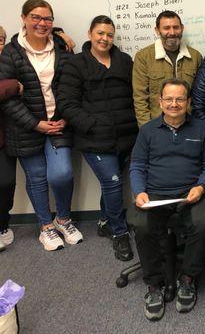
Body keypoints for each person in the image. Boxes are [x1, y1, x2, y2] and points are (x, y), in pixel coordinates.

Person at [129, 78, 205, 320]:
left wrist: (201, 186)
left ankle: (187, 278)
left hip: (190, 193)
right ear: (160, 102)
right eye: (169, 99)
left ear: (188, 102)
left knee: (203, 223)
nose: (174, 103)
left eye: (180, 99)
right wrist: (139, 192)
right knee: (142, 225)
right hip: (155, 194)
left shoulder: (202, 128)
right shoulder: (147, 131)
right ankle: (154, 286)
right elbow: (136, 165)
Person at [0, 0, 82, 251]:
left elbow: (72, 86)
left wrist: (66, 117)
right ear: (23, 18)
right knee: (36, 177)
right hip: (25, 127)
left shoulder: (62, 47)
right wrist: (36, 124)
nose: (42, 23)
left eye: (47, 18)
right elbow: (6, 98)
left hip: (59, 124)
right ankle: (46, 227)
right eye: (36, 17)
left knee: (62, 174)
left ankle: (63, 219)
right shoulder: (10, 52)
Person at [57, 15, 138, 261]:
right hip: (95, 139)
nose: (105, 39)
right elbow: (66, 103)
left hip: (126, 137)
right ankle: (119, 232)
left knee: (112, 183)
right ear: (90, 33)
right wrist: (91, 125)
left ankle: (105, 220)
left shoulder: (124, 61)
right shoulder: (76, 64)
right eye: (100, 33)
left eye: (109, 35)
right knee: (113, 183)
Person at [132, 10, 202, 126]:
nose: (172, 32)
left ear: (182, 28)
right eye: (166, 28)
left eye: (176, 27)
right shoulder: (143, 57)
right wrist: (147, 130)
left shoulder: (195, 57)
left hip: (189, 126)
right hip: (157, 126)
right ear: (157, 30)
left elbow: (200, 98)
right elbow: (140, 99)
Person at [0, 78, 21, 252]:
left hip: (3, 138)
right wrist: (13, 85)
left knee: (6, 182)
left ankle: (2, 224)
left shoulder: (7, 55)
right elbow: (11, 85)